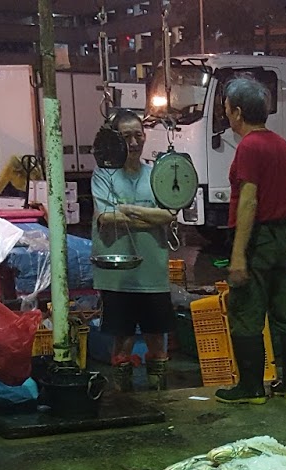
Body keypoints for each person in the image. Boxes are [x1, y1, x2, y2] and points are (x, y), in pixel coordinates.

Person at [216, 77, 286, 405]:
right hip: (282, 236)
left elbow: (248, 200)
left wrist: (238, 256)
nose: (226, 114)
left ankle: (251, 388)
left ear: (237, 112)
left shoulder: (249, 147)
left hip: (259, 239)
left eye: (227, 108)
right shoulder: (281, 144)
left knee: (247, 312)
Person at [91, 110, 177, 391]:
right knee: (122, 340)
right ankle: (122, 396)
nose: (134, 142)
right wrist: (150, 215)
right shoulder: (103, 175)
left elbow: (169, 215)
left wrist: (126, 209)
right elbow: (105, 217)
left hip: (153, 272)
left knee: (156, 337)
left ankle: (159, 395)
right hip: (117, 275)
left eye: (138, 135)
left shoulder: (156, 174)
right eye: (127, 136)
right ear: (116, 139)